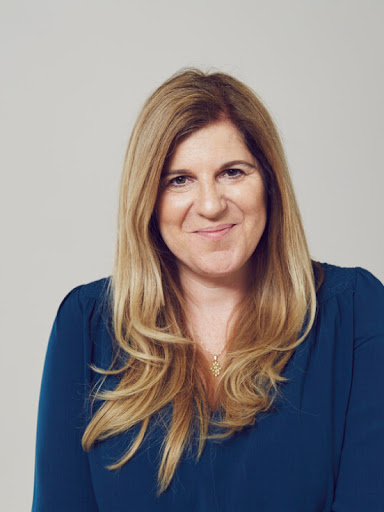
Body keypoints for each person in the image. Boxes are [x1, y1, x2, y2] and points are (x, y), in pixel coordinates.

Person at [32, 68, 384, 511]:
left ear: (270, 183)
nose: (212, 205)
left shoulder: (355, 313)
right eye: (179, 180)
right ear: (148, 199)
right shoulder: (85, 326)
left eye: (232, 172)